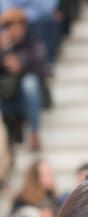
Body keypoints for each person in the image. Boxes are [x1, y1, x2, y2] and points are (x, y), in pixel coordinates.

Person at [0, 7, 48, 151]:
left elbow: (40, 66)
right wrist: (6, 49)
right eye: (11, 28)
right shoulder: (3, 45)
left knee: (30, 84)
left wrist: (20, 65)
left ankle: (34, 131)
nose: (16, 31)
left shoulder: (33, 41)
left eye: (18, 27)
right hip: (7, 93)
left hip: (29, 93)